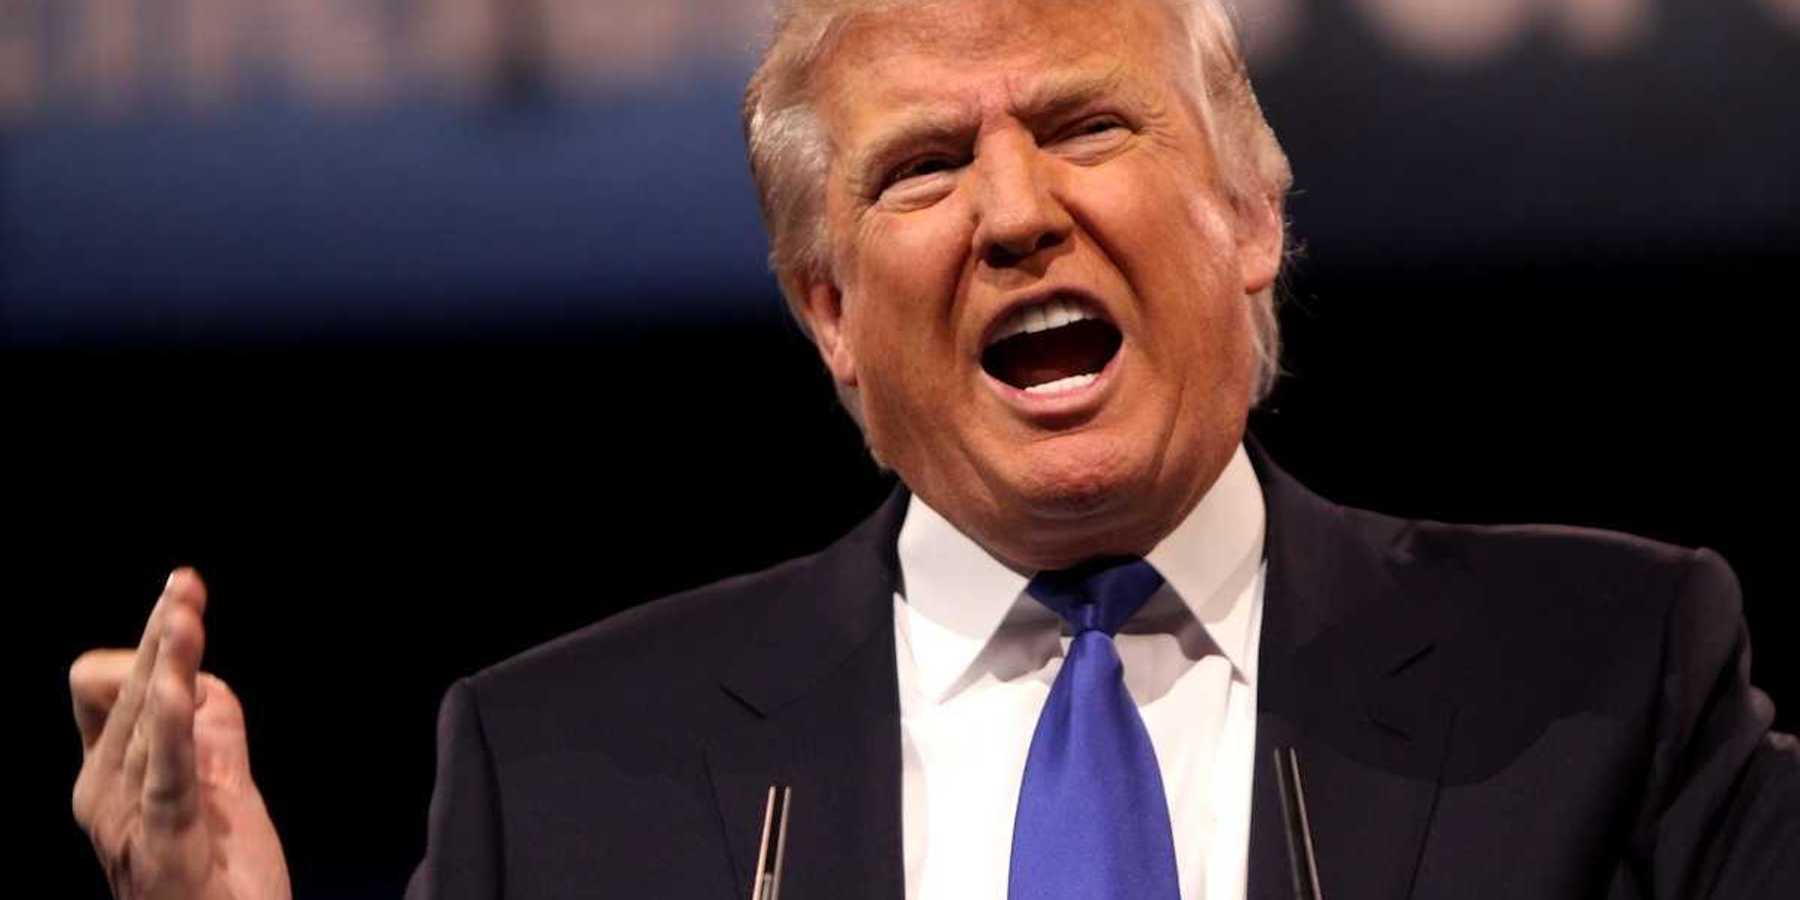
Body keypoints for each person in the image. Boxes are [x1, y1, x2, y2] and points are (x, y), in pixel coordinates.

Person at [69, 1, 1799, 898]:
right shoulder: (565, 774)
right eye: (919, 169)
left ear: (1254, 214)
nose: (1016, 212)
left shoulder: (1600, 679)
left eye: (1085, 125)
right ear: (826, 307)